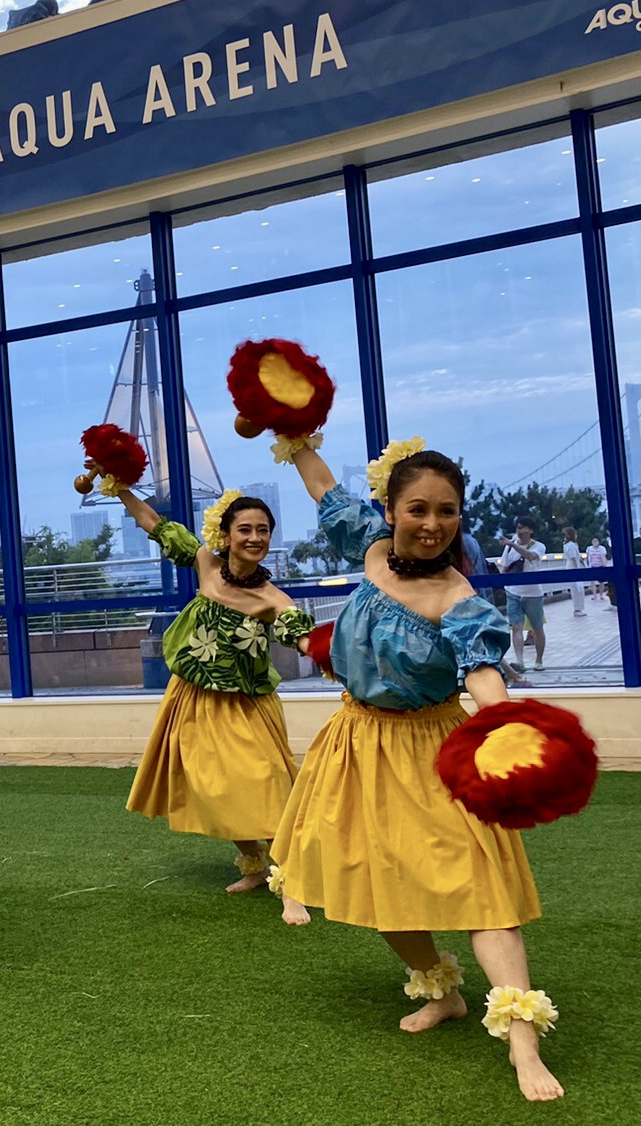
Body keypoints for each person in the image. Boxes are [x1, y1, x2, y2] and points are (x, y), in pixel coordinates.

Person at [271, 441, 562, 1102]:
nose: (433, 524)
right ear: (390, 511)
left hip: (434, 749)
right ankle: (440, 990)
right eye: (419, 509)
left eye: (447, 511)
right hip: (357, 743)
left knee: (483, 889)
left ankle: (523, 1041)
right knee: (381, 886)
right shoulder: (370, 548)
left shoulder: (457, 596)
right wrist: (295, 437)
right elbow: (322, 487)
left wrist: (507, 726)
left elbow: (483, 673)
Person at [117, 487, 313, 918]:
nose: (254, 538)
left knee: (268, 784)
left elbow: (300, 635)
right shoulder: (206, 564)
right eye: (245, 529)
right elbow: (156, 525)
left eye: (263, 530)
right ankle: (254, 862)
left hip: (247, 703)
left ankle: (293, 882)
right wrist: (121, 488)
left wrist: (327, 654)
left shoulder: (273, 600)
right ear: (226, 535)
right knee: (215, 787)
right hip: (195, 696)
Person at [499, 517, 547, 671]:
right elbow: (505, 566)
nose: (520, 531)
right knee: (516, 627)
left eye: (523, 527)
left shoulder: (538, 546)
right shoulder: (509, 547)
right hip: (512, 592)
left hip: (533, 594)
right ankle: (520, 662)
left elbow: (531, 556)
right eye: (518, 528)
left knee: (537, 628)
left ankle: (539, 660)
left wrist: (512, 544)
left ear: (531, 530)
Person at [560, 527, 585, 616]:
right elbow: (573, 558)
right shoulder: (571, 545)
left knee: (577, 589)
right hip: (574, 568)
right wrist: (577, 569)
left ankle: (579, 608)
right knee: (577, 590)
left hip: (572, 567)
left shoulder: (568, 545)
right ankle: (577, 609)